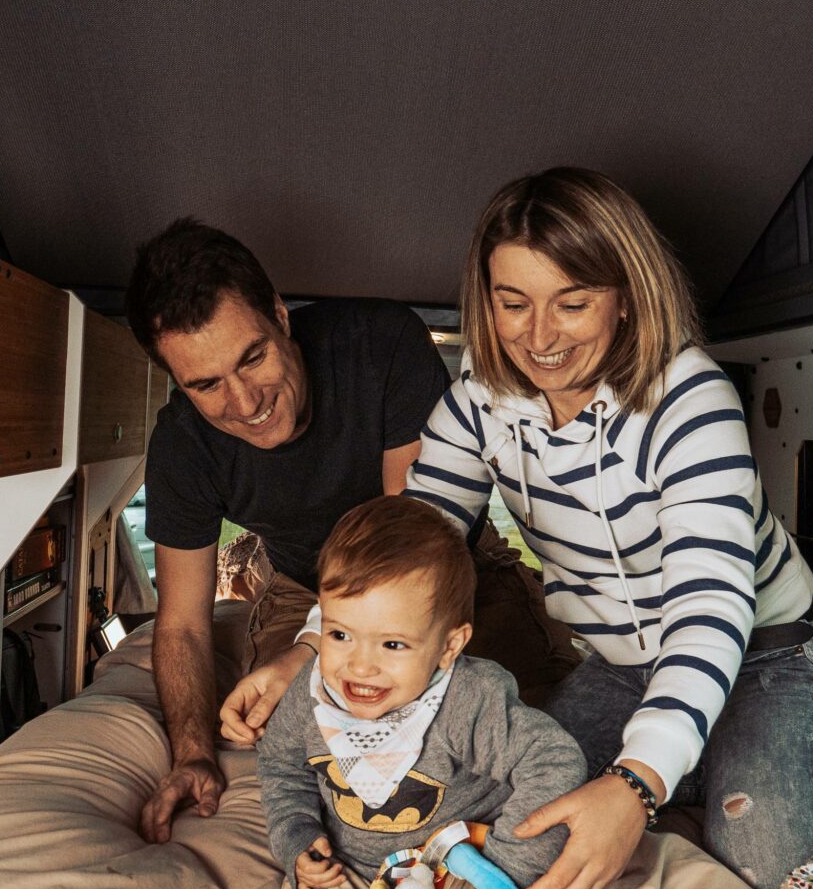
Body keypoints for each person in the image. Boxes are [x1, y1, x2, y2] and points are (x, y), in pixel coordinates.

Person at [404, 168, 813, 889]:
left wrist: (635, 785)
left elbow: (709, 607)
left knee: (765, 875)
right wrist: (316, 645)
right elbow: (407, 555)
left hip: (766, 656)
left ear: (625, 297)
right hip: (620, 669)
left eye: (572, 303)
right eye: (513, 304)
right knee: (509, 816)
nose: (539, 337)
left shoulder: (691, 397)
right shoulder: (472, 407)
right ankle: (701, 759)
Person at [125, 219, 570, 845]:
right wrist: (193, 755)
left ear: (280, 315)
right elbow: (183, 625)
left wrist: (314, 650)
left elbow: (410, 545)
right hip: (302, 588)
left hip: (445, 565)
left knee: (527, 721)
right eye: (205, 385)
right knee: (304, 743)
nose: (245, 402)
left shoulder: (380, 344)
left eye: (252, 358)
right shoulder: (182, 445)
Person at [255, 497, 668, 889]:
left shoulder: (467, 701)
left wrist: (503, 868)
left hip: (462, 861)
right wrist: (297, 837)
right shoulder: (311, 696)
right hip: (359, 867)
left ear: (449, 646)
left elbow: (551, 761)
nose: (359, 667)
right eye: (341, 634)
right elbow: (280, 766)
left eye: (392, 645)